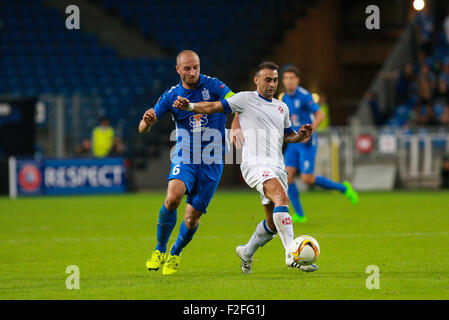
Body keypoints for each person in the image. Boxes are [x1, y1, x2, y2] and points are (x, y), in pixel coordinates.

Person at [173, 62, 317, 273]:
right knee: (281, 198)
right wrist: (191, 107)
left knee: (272, 224)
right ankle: (291, 253)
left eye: (275, 80)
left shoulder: (281, 107)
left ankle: (246, 252)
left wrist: (300, 136)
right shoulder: (244, 99)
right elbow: (214, 106)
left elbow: (288, 135)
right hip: (254, 165)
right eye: (268, 79)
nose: (272, 84)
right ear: (256, 80)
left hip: (277, 166)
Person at [138, 50, 234, 275]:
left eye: (196, 67)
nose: (193, 72)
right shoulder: (171, 95)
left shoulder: (214, 86)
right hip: (186, 154)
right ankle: (159, 249)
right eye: (188, 68)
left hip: (212, 158)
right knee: (173, 197)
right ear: (178, 70)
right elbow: (143, 128)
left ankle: (175, 253)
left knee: (192, 219)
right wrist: (147, 121)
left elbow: (237, 101)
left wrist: (237, 121)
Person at [268, 65, 358, 223]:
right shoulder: (284, 98)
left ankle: (344, 188)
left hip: (307, 142)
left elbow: (320, 114)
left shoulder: (304, 96)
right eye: (286, 78)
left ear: (297, 80)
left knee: (307, 179)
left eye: (292, 78)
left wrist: (311, 131)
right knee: (287, 176)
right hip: (295, 141)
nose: (289, 81)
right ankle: (300, 215)